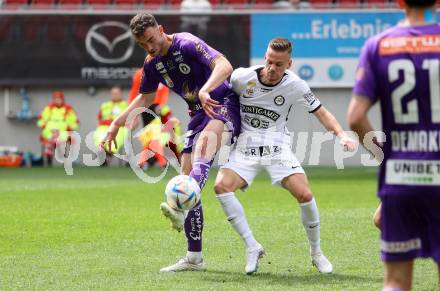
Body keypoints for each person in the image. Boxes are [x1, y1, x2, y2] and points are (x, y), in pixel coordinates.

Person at [100, 13, 240, 272]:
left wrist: (205, 89)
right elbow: (145, 99)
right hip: (197, 114)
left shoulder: (187, 43)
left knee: (200, 157)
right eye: (143, 45)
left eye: (152, 40)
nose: (150, 48)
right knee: (186, 176)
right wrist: (115, 124)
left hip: (222, 104)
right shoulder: (152, 63)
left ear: (161, 29)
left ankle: (177, 208)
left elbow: (225, 66)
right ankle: (194, 258)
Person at [214, 38, 356, 275]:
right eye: (269, 62)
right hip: (245, 145)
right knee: (221, 187)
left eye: (278, 64)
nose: (271, 68)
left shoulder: (296, 85)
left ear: (289, 64)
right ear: (264, 58)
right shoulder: (241, 77)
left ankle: (316, 253)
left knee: (305, 194)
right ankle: (252, 246)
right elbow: (222, 99)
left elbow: (321, 112)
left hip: (277, 145)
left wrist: (342, 135)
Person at [347, 0, 440, 289]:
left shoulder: (378, 45)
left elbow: (356, 117)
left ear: (400, 2)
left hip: (401, 177)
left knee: (396, 282)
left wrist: (387, 159)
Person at [37, 91, 79, 166]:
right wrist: (43, 125)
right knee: (47, 140)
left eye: (59, 99)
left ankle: (65, 162)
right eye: (56, 99)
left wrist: (70, 127)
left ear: (63, 99)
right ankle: (48, 162)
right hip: (50, 130)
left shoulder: (68, 108)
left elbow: (74, 120)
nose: (58, 100)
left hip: (63, 130)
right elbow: (42, 119)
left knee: (64, 141)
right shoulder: (49, 108)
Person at [94, 86, 128, 165]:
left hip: (119, 127)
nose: (115, 95)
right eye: (113, 93)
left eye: (117, 93)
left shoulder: (126, 105)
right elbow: (99, 118)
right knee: (99, 136)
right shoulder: (105, 105)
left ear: (121, 94)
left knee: (115, 140)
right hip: (104, 127)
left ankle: (107, 156)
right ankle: (104, 154)